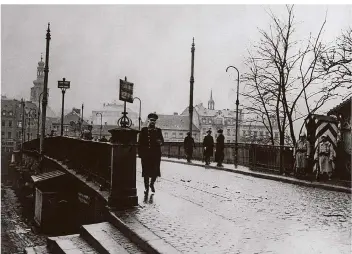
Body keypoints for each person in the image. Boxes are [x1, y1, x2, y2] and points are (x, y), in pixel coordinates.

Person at [138, 113, 164, 195]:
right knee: (145, 172)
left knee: (155, 171)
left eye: (154, 121)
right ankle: (146, 188)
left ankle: (151, 184)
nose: (152, 122)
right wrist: (140, 153)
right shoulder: (144, 130)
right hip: (146, 155)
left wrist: (160, 142)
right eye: (151, 120)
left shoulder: (158, 130)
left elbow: (162, 141)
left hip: (156, 155)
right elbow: (140, 142)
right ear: (148, 120)